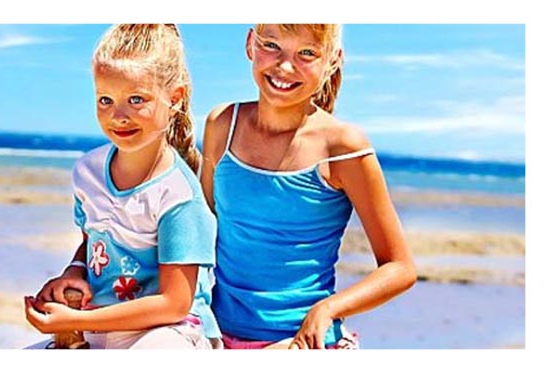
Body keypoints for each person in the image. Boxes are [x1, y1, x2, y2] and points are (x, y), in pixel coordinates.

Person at [199, 24, 417, 349]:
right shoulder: (223, 125)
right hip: (215, 335)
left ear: (332, 60)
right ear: (249, 43)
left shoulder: (343, 147)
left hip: (298, 341)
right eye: (271, 45)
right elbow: (203, 229)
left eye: (307, 53)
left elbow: (400, 268)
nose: (285, 66)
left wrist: (328, 309)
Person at [24, 24, 219, 349]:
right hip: (102, 320)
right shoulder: (88, 173)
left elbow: (175, 303)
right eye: (105, 100)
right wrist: (73, 273)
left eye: (136, 99)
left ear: (175, 98)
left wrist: (76, 321)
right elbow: (93, 244)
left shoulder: (178, 196)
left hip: (171, 334)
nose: (119, 116)